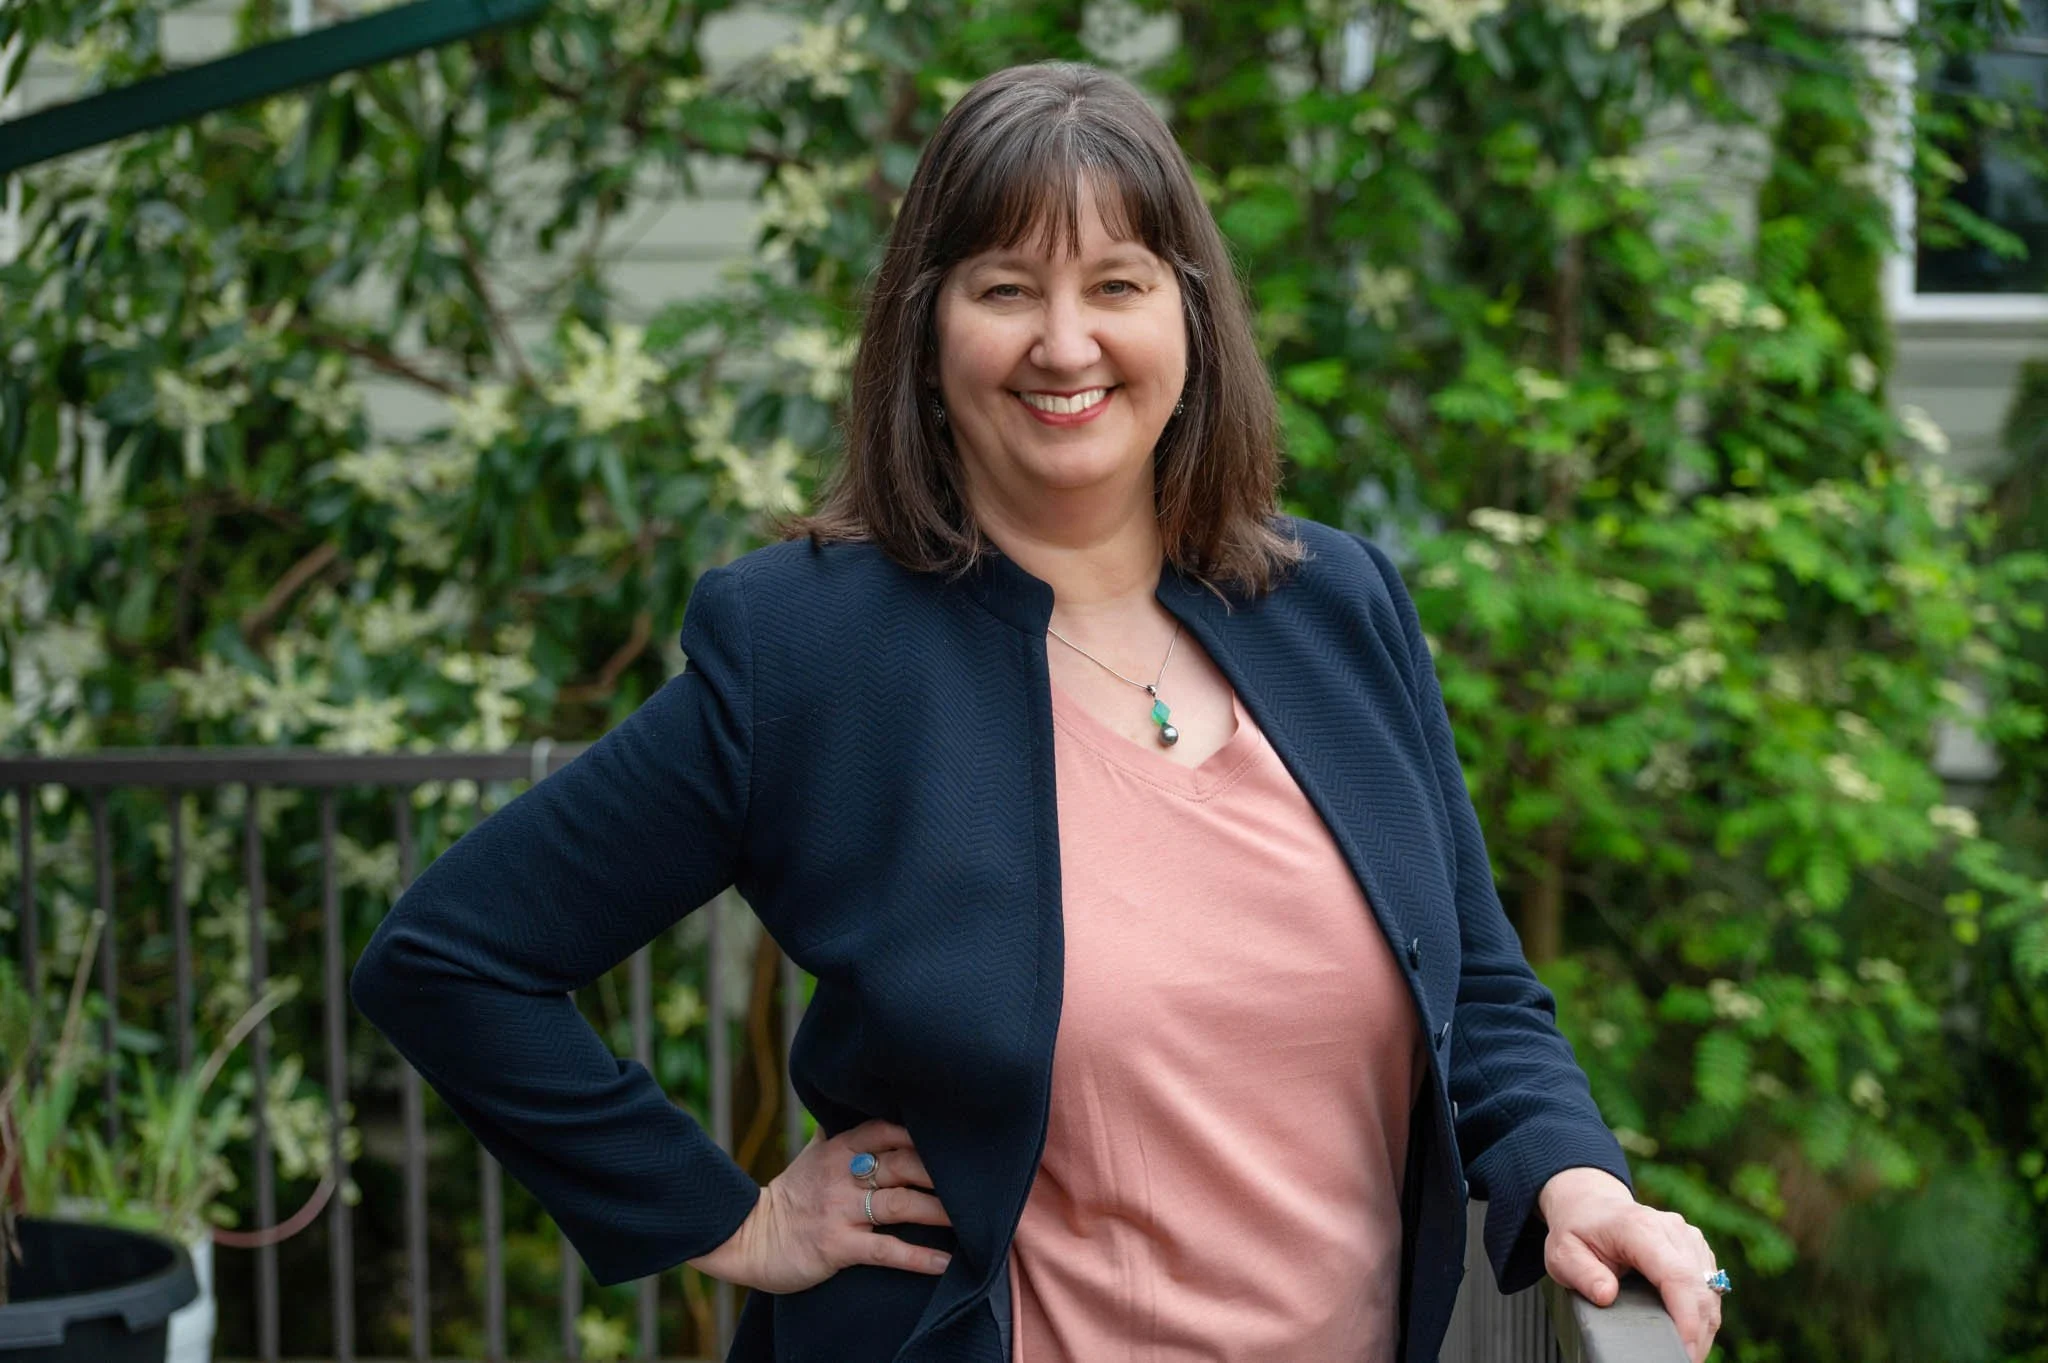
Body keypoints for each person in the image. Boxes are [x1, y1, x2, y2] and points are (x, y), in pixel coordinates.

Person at [350, 59, 1728, 1363]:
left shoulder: (1336, 607)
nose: (1064, 343)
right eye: (1006, 287)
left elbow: (1481, 987)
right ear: (929, 325)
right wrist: (728, 1216)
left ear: (1186, 311)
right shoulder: (815, 649)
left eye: (1116, 283)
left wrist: (1574, 1173)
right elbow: (453, 956)